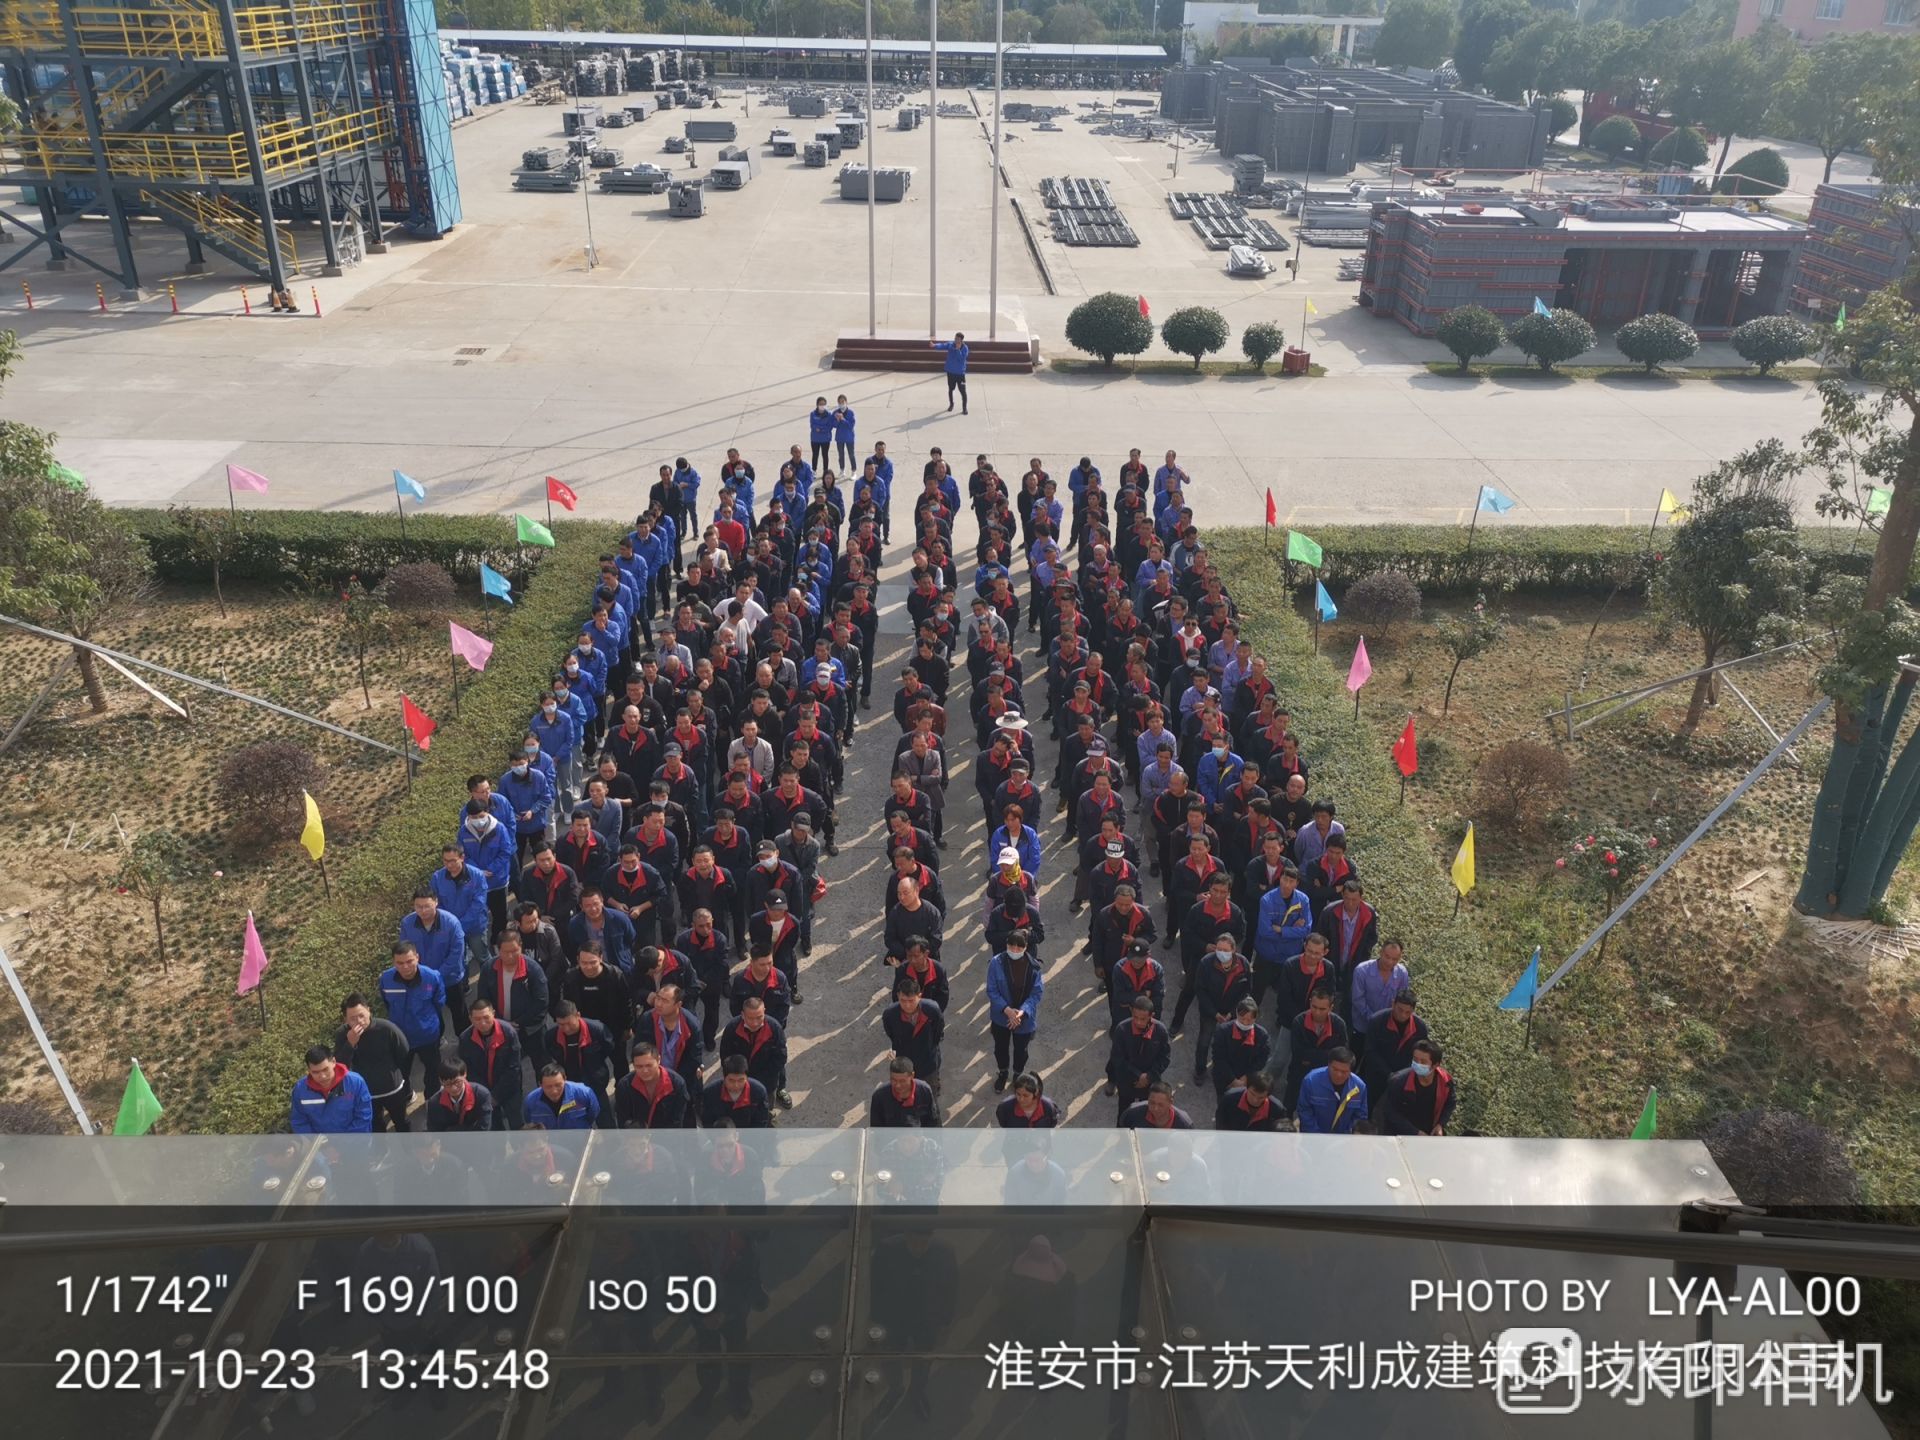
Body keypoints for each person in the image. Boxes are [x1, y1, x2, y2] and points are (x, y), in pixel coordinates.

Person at [334, 991, 413, 1133]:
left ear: (369, 1011)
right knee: (375, 1125)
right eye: (353, 1018)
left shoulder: (387, 1028)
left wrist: (394, 1072)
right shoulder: (342, 1035)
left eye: (361, 1015)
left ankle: (408, 1145)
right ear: (345, 1019)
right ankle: (381, 1146)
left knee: (402, 1121)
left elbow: (404, 1052)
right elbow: (340, 1066)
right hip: (366, 1092)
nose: (359, 1021)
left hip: (392, 1088)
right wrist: (350, 1044)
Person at [378, 942, 446, 1101]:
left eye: (409, 961)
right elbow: (387, 1003)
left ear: (417, 957)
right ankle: (408, 1094)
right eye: (400, 963)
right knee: (402, 1071)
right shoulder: (386, 979)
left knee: (433, 1068)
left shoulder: (432, 977)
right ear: (393, 962)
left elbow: (439, 1002)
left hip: (427, 1035)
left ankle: (432, 1096)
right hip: (400, 1037)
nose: (405, 967)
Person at [985, 929, 1044, 1092]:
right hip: (1001, 1016)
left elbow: (1036, 993)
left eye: (1019, 947)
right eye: (1012, 946)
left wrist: (1021, 1012)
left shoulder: (1034, 967)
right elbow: (992, 990)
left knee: (1021, 1051)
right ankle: (1003, 1073)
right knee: (1000, 1048)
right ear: (1006, 945)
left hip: (1023, 1019)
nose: (1015, 950)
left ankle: (1017, 1074)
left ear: (1026, 947)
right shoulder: (996, 963)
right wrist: (1007, 1010)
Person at [458, 996, 524, 1130]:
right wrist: (486, 1095)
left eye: (486, 1017)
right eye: (477, 1019)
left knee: (517, 1125)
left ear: (493, 1014)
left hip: (509, 1088)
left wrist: (496, 1095)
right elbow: (468, 1071)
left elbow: (514, 1068)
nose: (482, 1023)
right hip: (484, 1091)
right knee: (494, 1128)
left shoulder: (508, 1033)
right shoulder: (465, 1039)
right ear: (470, 1019)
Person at [1105, 994, 1171, 1119]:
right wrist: (1138, 1075)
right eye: (1135, 1017)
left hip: (1150, 1082)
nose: (1138, 1022)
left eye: (1143, 1019)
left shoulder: (1160, 1031)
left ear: (1151, 1016)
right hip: (1126, 1080)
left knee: (1147, 1113)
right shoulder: (1122, 1030)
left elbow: (1164, 1057)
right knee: (1124, 1112)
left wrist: (1149, 1076)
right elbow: (1117, 1058)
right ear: (1131, 1012)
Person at [719, 994, 790, 1109]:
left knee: (765, 1105)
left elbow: (780, 1058)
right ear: (742, 1015)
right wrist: (737, 1077)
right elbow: (725, 1055)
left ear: (764, 1012)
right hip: (739, 1079)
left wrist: (762, 1079)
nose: (755, 1023)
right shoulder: (732, 1028)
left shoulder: (775, 1029)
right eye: (750, 1018)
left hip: (767, 1080)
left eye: (759, 1017)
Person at [883, 976, 946, 1097]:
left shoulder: (932, 1010)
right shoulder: (890, 1014)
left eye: (911, 1000)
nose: (907, 1005)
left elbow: (938, 1031)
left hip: (928, 1060)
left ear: (919, 996)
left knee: (929, 1094)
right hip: (905, 1060)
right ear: (898, 996)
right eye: (903, 1000)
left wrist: (931, 1045)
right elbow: (891, 1034)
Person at [289, 1044, 373, 1134]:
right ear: (309, 1070)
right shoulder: (300, 1089)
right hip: (319, 1142)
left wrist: (343, 1141)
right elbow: (299, 1120)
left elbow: (363, 1117)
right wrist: (314, 1140)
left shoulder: (355, 1083)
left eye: (325, 1069)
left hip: (355, 1140)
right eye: (315, 1072)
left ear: (333, 1062)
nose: (322, 1076)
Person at [614, 1041, 696, 1129]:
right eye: (639, 1066)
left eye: (649, 1065)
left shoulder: (677, 1084)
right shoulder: (625, 1086)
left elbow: (677, 1121)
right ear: (633, 1065)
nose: (645, 1070)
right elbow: (623, 1121)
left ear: (659, 1060)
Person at [1383, 1041, 1455, 1137]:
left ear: (1435, 1065)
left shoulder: (1445, 1081)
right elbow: (1390, 1111)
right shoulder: (1398, 1081)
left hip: (1429, 1133)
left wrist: (1440, 1124)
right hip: (1401, 1135)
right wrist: (1415, 1132)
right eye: (1415, 1060)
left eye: (1423, 1062)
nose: (1418, 1064)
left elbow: (1450, 1103)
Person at [1209, 996, 1272, 1100]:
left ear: (1255, 1018)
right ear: (1237, 1014)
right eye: (1242, 1019)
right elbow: (1219, 1058)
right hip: (1224, 1078)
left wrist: (1246, 1077)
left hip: (1248, 1081)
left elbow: (1261, 1060)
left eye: (1250, 1020)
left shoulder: (1262, 1036)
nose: (1245, 1023)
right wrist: (1233, 1080)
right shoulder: (1223, 1031)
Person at [1296, 1047, 1368, 1135]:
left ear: (1350, 1071)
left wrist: (1346, 1137)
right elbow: (1304, 1111)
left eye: (1344, 1072)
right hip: (1314, 1137)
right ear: (1328, 1065)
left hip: (1345, 1139)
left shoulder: (1359, 1087)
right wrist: (1317, 1137)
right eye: (1335, 1069)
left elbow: (1360, 1117)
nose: (1338, 1075)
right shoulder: (1311, 1081)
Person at [700, 1055, 772, 1129]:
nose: (736, 1085)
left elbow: (761, 1122)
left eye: (741, 1080)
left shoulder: (758, 1092)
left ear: (747, 1077)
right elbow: (707, 1122)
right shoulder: (711, 1093)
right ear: (724, 1077)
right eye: (731, 1080)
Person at [525, 1062, 600, 1130]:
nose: (554, 1091)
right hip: (549, 1140)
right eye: (548, 1087)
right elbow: (530, 1123)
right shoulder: (531, 1101)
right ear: (540, 1085)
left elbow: (593, 1113)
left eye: (558, 1085)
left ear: (565, 1080)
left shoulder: (584, 1094)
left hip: (579, 1138)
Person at [426, 1058, 494, 1133]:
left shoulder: (481, 1095)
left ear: (465, 1074)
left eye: (457, 1082)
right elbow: (434, 1131)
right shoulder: (434, 1103)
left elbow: (484, 1127)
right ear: (441, 1081)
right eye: (448, 1084)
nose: (453, 1088)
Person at [869, 1056, 940, 1127]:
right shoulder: (879, 1096)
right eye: (894, 1080)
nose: (898, 1085)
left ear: (912, 1076)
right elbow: (876, 1128)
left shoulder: (924, 1090)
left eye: (902, 1081)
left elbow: (933, 1120)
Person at [1215, 1071, 1283, 1132]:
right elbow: (1220, 1124)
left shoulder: (1277, 1109)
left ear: (1268, 1095)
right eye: (1252, 1094)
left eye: (1261, 1097)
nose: (1255, 1100)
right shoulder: (1229, 1099)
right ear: (1246, 1088)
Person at [995, 1072, 1061, 1128]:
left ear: (1036, 1093)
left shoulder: (1048, 1107)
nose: (1021, 1099)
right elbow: (1003, 1123)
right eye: (1018, 1094)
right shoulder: (1005, 1106)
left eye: (1026, 1095)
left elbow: (1052, 1123)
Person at [1120, 1081, 1193, 1130]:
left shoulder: (1184, 1124)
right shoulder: (1132, 1113)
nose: (1155, 1108)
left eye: (1161, 1105)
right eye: (1152, 1103)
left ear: (1170, 1102)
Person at [935, 331, 969, 414]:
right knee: (951, 389)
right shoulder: (951, 345)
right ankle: (951, 404)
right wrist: (935, 345)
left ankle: (964, 408)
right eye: (955, 338)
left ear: (961, 340)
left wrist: (958, 350)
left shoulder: (965, 348)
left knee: (963, 391)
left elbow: (961, 359)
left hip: (960, 374)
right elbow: (943, 345)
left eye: (957, 339)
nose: (956, 340)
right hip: (951, 372)